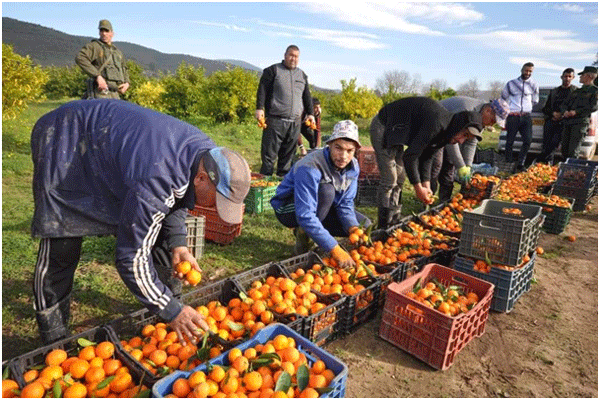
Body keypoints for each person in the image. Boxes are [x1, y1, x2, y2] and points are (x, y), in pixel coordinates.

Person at [30, 99, 251, 344]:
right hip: (66, 140)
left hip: (110, 150)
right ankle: (53, 336)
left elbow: (177, 198)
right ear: (201, 178)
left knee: (157, 233)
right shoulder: (157, 179)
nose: (215, 209)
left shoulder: (208, 155)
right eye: (218, 200)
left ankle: (164, 302)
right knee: (62, 239)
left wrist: (179, 244)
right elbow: (130, 257)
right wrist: (172, 311)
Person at [370, 97, 484, 229]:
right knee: (390, 178)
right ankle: (383, 226)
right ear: (459, 125)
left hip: (397, 132)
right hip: (384, 126)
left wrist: (426, 185)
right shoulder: (438, 124)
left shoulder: (447, 133)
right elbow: (410, 156)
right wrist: (418, 188)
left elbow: (427, 157)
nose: (462, 141)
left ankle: (393, 221)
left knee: (400, 177)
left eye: (466, 138)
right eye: (464, 134)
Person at [270, 120, 371, 266]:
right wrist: (334, 248)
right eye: (338, 148)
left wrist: (352, 227)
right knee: (327, 191)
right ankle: (303, 239)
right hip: (288, 208)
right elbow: (305, 214)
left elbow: (345, 203)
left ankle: (316, 232)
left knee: (364, 225)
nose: (344, 156)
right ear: (329, 145)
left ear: (355, 150)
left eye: (350, 151)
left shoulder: (352, 167)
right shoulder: (310, 166)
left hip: (321, 205)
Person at [432, 97, 510, 202]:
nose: (492, 125)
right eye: (493, 121)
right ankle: (427, 199)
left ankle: (443, 202)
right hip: (435, 127)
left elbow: (471, 142)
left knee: (450, 164)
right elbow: (451, 138)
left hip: (450, 132)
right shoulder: (466, 110)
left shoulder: (481, 119)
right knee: (436, 164)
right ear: (488, 111)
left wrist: (467, 166)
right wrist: (460, 165)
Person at [255, 45, 315, 176]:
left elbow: (307, 96)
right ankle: (265, 187)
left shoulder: (302, 75)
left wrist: (310, 114)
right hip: (275, 121)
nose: (293, 58)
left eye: (296, 56)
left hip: (295, 123)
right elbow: (262, 90)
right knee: (269, 158)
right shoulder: (273, 71)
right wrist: (259, 108)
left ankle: (282, 188)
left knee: (287, 159)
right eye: (291, 55)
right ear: (285, 55)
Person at [75, 19, 130, 99]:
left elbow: (124, 68)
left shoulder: (117, 52)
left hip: (115, 93)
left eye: (106, 31)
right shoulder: (95, 46)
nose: (104, 33)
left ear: (112, 33)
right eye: (101, 31)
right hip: (100, 92)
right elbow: (80, 58)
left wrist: (127, 83)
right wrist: (98, 76)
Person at [501, 62, 539, 171]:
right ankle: (508, 162)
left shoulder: (534, 84)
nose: (528, 73)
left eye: (530, 71)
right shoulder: (511, 83)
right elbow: (503, 98)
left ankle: (521, 164)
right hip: (513, 116)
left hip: (526, 117)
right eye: (526, 70)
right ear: (522, 70)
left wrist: (527, 107)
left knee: (528, 140)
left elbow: (535, 100)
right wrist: (509, 110)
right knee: (509, 141)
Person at [536, 68, 577, 164]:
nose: (567, 79)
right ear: (561, 77)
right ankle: (546, 165)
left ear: (573, 78)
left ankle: (544, 160)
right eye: (565, 76)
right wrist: (553, 114)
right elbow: (545, 108)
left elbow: (575, 109)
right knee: (546, 144)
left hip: (565, 123)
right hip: (551, 121)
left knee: (554, 143)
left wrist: (562, 115)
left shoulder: (575, 92)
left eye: (569, 77)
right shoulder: (554, 91)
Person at [559, 66, 598, 160]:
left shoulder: (595, 91)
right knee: (564, 150)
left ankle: (570, 171)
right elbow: (564, 104)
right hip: (568, 123)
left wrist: (576, 112)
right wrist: (565, 112)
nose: (580, 77)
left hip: (579, 124)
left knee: (573, 151)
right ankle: (564, 170)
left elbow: (593, 107)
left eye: (582, 75)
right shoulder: (576, 91)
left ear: (589, 76)